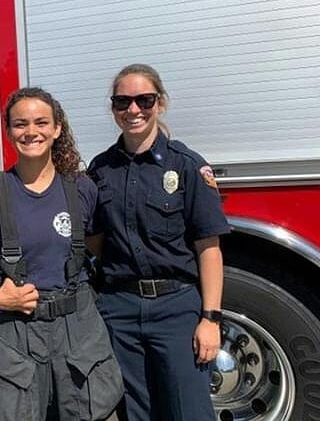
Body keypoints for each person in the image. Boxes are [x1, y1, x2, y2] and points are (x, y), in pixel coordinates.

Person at [0, 87, 124, 421]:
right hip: (10, 332)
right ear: (8, 130)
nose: (31, 131)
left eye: (41, 122)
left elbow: (99, 250)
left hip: (77, 331)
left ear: (57, 128)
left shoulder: (82, 189)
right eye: (20, 124)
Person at [87, 63, 230, 421]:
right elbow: (96, 242)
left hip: (176, 308)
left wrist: (210, 319)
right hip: (119, 309)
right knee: (136, 412)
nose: (133, 110)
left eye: (144, 100)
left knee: (189, 410)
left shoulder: (187, 167)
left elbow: (208, 249)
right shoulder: (100, 170)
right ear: (113, 108)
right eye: (122, 102)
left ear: (160, 103)